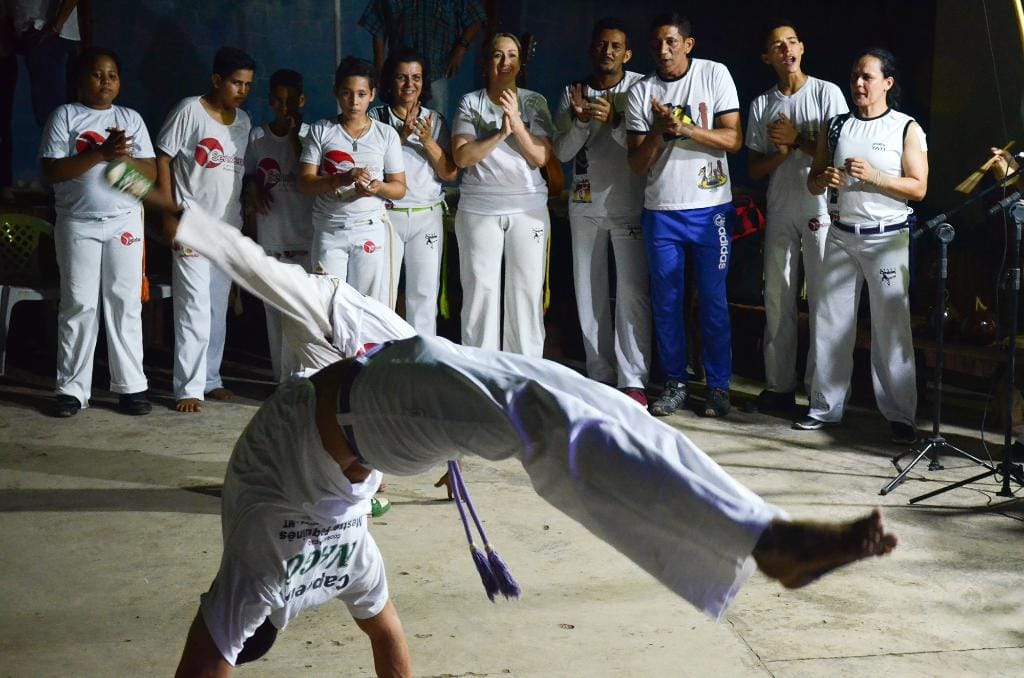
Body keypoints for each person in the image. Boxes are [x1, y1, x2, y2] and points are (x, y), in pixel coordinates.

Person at [102, 180, 897, 673]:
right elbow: (230, 657)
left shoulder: (332, 568)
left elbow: (385, 642)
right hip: (361, 409)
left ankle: (760, 535)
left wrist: (192, 227)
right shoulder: (259, 577)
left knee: (594, 403)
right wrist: (197, 229)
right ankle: (766, 542)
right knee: (544, 410)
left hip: (373, 406)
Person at [797, 48, 928, 445]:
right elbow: (813, 180)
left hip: (886, 237)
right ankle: (824, 406)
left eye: (867, 77)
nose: (858, 84)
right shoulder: (836, 126)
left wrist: (874, 176)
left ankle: (901, 415)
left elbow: (918, 187)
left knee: (891, 328)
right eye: (855, 76)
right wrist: (826, 180)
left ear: (887, 83)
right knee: (831, 323)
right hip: (840, 234)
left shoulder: (905, 128)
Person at [625, 13, 743, 418]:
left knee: (712, 300)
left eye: (672, 42)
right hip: (662, 212)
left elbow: (733, 139)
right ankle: (675, 382)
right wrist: (660, 131)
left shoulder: (714, 75)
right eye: (657, 43)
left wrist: (686, 129)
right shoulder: (642, 90)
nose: (663, 50)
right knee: (667, 301)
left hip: (711, 211)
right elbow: (637, 165)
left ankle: (718, 386)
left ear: (688, 45)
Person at [39, 47, 154, 418]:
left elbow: (150, 174)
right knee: (79, 303)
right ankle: (72, 390)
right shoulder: (65, 116)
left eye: (112, 76)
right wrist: (101, 153)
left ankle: (131, 387)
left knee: (125, 303)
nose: (105, 82)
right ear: (79, 80)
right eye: (97, 75)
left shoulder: (131, 119)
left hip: (123, 221)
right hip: (78, 222)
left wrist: (123, 158)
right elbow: (54, 171)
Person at [745, 21, 848, 413]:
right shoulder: (762, 104)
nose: (786, 49)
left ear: (802, 48)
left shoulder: (826, 94)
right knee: (778, 299)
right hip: (780, 207)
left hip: (819, 208)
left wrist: (797, 141)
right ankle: (779, 387)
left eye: (791, 42)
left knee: (822, 301)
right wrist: (782, 153)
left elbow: (837, 153)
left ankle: (820, 395)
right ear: (766, 57)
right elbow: (755, 168)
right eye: (776, 45)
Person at [553, 17, 650, 406]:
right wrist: (578, 122)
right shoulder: (572, 91)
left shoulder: (640, 87)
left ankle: (633, 379)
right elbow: (560, 152)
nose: (607, 52)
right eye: (601, 45)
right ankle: (600, 375)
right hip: (584, 205)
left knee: (632, 293)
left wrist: (613, 121)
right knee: (589, 293)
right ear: (592, 49)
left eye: (615, 46)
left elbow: (641, 145)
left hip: (630, 203)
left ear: (626, 53)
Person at [155, 46, 254, 413]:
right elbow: (162, 158)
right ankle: (188, 388)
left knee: (215, 309)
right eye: (235, 82)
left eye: (247, 85)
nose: (241, 90)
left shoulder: (243, 122)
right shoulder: (188, 110)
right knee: (192, 308)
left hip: (227, 228)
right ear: (216, 80)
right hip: (190, 224)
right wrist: (168, 214)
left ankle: (211, 379)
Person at [451, 32, 554, 358]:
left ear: (520, 63)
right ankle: (482, 372)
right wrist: (501, 132)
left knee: (526, 293)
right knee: (481, 291)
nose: (504, 62)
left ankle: (526, 374)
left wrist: (518, 125)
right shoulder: (471, 102)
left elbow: (540, 157)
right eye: (497, 55)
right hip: (480, 209)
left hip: (528, 208)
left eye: (511, 55)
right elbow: (462, 157)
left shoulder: (534, 101)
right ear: (486, 63)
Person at [298, 56, 406, 307]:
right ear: (336, 92)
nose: (354, 102)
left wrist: (379, 187)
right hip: (329, 230)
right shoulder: (322, 129)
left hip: (369, 229)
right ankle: (332, 348)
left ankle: (363, 348)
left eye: (361, 94)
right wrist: (341, 178)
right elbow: (304, 183)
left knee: (367, 306)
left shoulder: (385, 134)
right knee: (327, 304)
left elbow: (399, 188)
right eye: (347, 93)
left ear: (372, 94)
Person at [370, 47, 458, 335]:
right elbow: (370, 167)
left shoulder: (435, 119)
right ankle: (382, 363)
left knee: (424, 295)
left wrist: (428, 141)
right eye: (402, 77)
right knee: (382, 293)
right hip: (387, 215)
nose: (410, 85)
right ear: (389, 82)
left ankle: (423, 363)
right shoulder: (376, 117)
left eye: (416, 77)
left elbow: (449, 172)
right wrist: (401, 136)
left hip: (426, 215)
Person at [243, 68, 314, 383]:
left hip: (307, 240)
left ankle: (306, 382)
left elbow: (306, 175)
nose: (285, 109)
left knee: (304, 318)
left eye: (291, 102)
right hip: (272, 240)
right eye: (278, 102)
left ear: (302, 101)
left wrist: (295, 136)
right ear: (270, 101)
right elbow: (245, 177)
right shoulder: (258, 137)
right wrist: (252, 187)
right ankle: (282, 384)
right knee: (276, 320)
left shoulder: (312, 135)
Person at [1, 0, 80, 195]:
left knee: (52, 112)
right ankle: (61, 184)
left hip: (49, 31)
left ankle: (64, 186)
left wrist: (56, 24)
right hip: (28, 29)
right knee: (46, 111)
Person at [358, 0, 487, 117]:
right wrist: (380, 68)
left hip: (438, 69)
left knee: (435, 119)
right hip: (400, 71)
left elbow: (475, 19)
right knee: (397, 115)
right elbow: (377, 25)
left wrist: (461, 48)